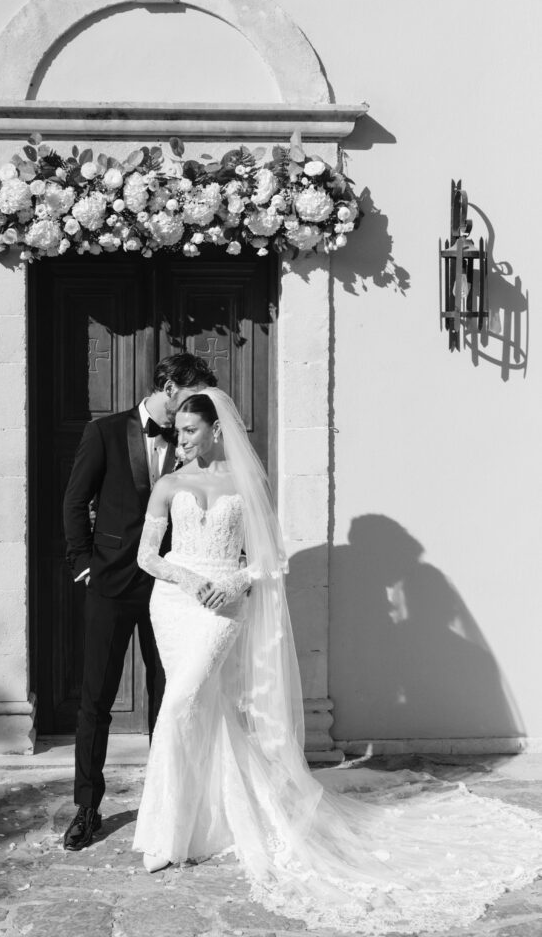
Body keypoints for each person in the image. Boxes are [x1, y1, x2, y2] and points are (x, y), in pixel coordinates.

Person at [134, 389, 542, 934]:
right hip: (176, 604)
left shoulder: (245, 484)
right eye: (177, 431)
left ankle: (168, 832)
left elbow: (266, 561)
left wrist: (233, 583)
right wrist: (188, 579)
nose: (179, 440)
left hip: (224, 607)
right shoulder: (167, 485)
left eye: (189, 431)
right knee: (195, 705)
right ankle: (195, 827)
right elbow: (147, 556)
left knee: (182, 702)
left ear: (215, 430)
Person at [61, 354, 217, 852]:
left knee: (165, 697)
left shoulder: (190, 439)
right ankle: (87, 807)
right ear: (168, 386)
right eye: (188, 395)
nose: (194, 408)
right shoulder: (104, 433)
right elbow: (73, 501)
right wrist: (83, 563)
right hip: (110, 584)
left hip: (168, 591)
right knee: (96, 701)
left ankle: (165, 806)